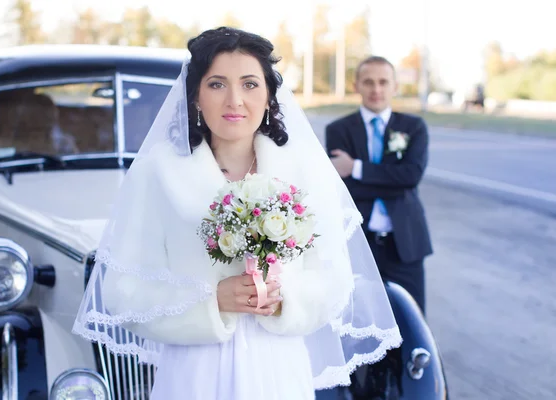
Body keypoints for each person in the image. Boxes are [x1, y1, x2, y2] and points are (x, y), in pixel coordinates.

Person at [73, 28, 402, 400]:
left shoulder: (304, 172)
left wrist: (284, 298)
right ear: (195, 96)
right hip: (193, 371)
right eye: (216, 85)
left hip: (278, 368)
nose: (235, 101)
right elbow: (123, 292)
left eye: (249, 84)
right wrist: (211, 303)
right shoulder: (158, 174)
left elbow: (335, 282)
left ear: (268, 96)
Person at [325, 56, 433, 314]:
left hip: (405, 243)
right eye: (369, 82)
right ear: (357, 86)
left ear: (395, 86)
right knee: (359, 318)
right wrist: (394, 180)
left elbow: (411, 176)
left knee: (412, 318)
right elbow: (346, 189)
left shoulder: (413, 127)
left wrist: (356, 168)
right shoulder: (338, 130)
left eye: (383, 82)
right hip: (359, 243)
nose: (376, 89)